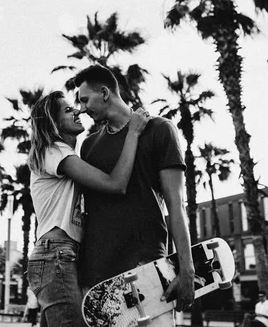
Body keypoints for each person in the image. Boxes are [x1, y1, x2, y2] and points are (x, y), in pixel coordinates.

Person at [74, 65, 195, 310]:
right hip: (99, 278)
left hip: (147, 269)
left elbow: (175, 203)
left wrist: (187, 269)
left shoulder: (160, 129)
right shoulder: (88, 146)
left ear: (105, 93)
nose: (82, 109)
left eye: (85, 100)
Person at [27, 90, 151, 326]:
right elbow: (115, 184)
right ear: (53, 123)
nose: (76, 110)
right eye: (67, 110)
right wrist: (133, 133)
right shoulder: (53, 150)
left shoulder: (65, 153)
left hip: (60, 256)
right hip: (56, 256)